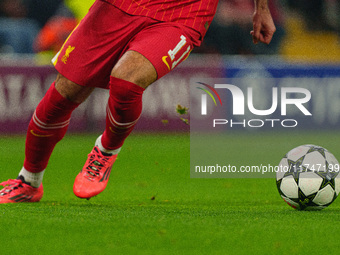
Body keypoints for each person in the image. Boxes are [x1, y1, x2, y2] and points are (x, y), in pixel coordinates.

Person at [0, 0, 276, 203]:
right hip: (117, 7)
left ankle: (106, 151)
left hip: (183, 11)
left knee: (126, 81)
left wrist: (261, 8)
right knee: (64, 93)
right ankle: (29, 181)